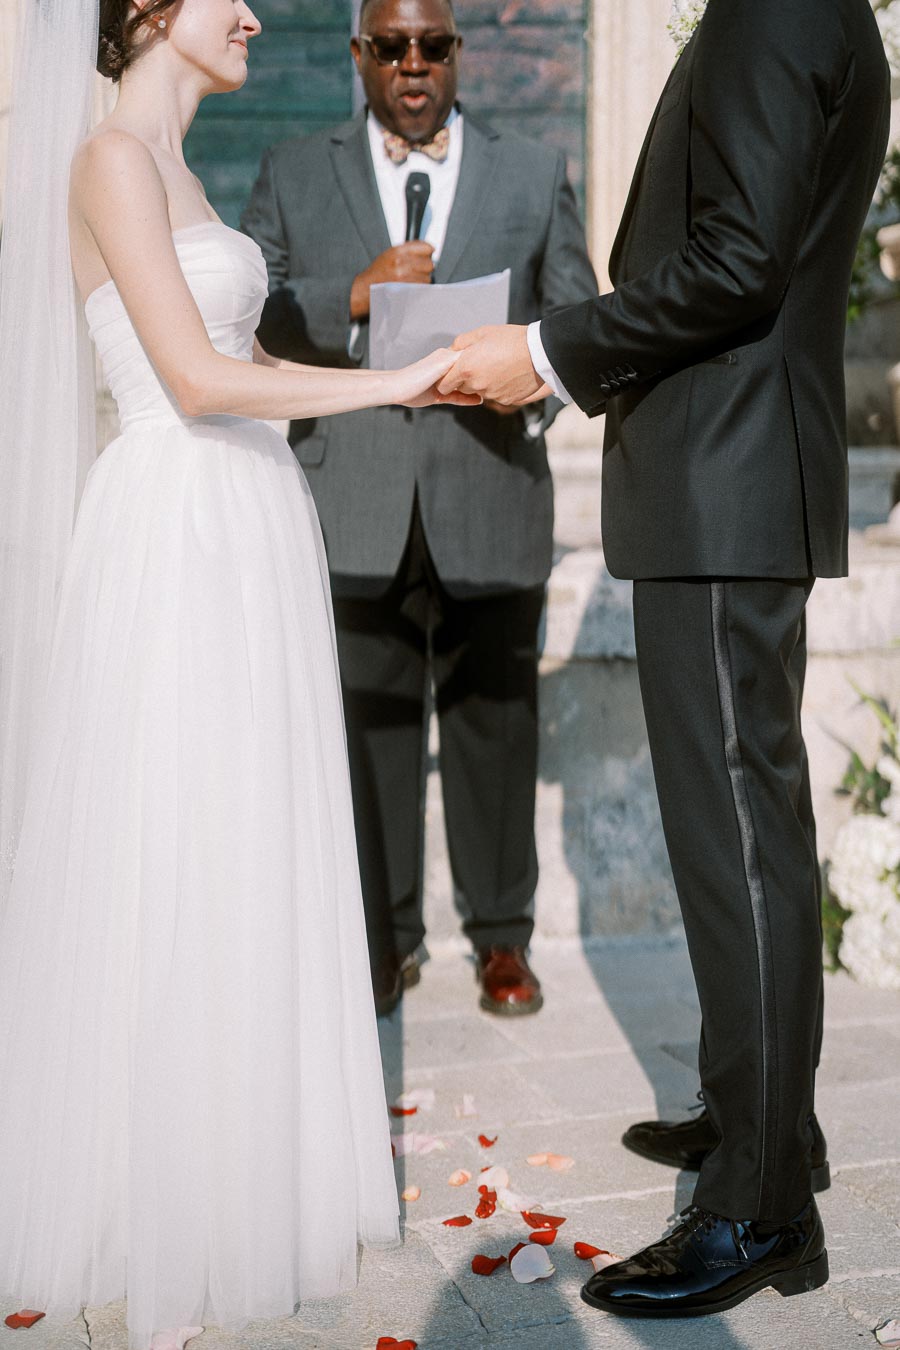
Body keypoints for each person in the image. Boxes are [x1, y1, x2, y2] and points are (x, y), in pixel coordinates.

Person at [0, 0, 476, 1344]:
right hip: (177, 526)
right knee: (175, 840)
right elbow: (198, 385)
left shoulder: (182, 168)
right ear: (150, 11)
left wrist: (408, 370)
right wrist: (394, 390)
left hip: (246, 519)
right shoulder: (106, 160)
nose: (258, 15)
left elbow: (252, 358)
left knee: (243, 844)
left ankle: (233, 1161)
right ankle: (157, 1198)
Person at [438, 0, 892, 1321]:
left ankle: (759, 1206)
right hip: (741, 476)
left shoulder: (775, 9)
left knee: (737, 836)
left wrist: (543, 350)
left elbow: (742, 257)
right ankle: (770, 1128)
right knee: (754, 824)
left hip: (725, 475)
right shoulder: (823, 14)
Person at [241, 0, 597, 1018]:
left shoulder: (532, 173)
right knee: (370, 733)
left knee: (497, 729)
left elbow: (576, 320)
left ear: (456, 54)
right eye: (390, 46)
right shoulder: (294, 171)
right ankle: (382, 941)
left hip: (489, 490)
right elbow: (245, 305)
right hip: (351, 503)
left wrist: (532, 407)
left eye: (432, 46)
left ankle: (501, 942)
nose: (412, 65)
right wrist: (353, 297)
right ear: (359, 55)